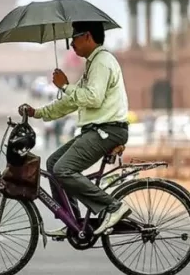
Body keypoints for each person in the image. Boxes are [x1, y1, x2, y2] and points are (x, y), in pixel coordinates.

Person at [18, 21, 131, 236]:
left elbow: (93, 98)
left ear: (88, 36)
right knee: (53, 163)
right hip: (97, 130)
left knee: (63, 170)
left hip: (108, 131)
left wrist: (64, 86)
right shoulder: (92, 64)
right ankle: (73, 221)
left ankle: (113, 206)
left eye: (74, 38)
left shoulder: (102, 61)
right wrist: (38, 112)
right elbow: (71, 102)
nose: (71, 44)